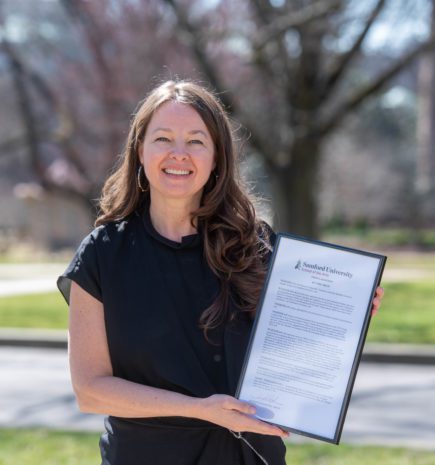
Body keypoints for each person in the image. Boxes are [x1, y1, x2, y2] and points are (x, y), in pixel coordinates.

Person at [57, 80, 384, 465]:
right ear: (140, 151)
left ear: (216, 158)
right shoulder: (102, 253)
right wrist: (201, 409)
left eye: (196, 141)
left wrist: (342, 316)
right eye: (163, 138)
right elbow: (91, 390)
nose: (179, 154)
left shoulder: (257, 247)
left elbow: (291, 362)